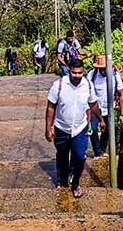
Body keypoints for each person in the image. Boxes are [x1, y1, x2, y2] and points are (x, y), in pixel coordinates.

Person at [45, 58, 100, 198]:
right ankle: (62, 181)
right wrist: (48, 128)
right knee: (63, 157)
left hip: (80, 128)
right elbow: (51, 107)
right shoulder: (59, 85)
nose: (77, 76)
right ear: (69, 70)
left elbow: (93, 104)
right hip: (61, 128)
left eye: (80, 73)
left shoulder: (87, 85)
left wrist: (101, 119)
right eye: (74, 73)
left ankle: (75, 183)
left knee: (80, 156)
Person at [87, 54, 123, 157]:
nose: (103, 71)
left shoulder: (114, 75)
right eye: (101, 69)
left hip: (109, 108)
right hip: (95, 108)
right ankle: (97, 152)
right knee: (93, 129)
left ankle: (102, 149)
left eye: (105, 69)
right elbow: (87, 93)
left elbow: (121, 94)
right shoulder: (92, 75)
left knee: (108, 130)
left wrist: (122, 113)